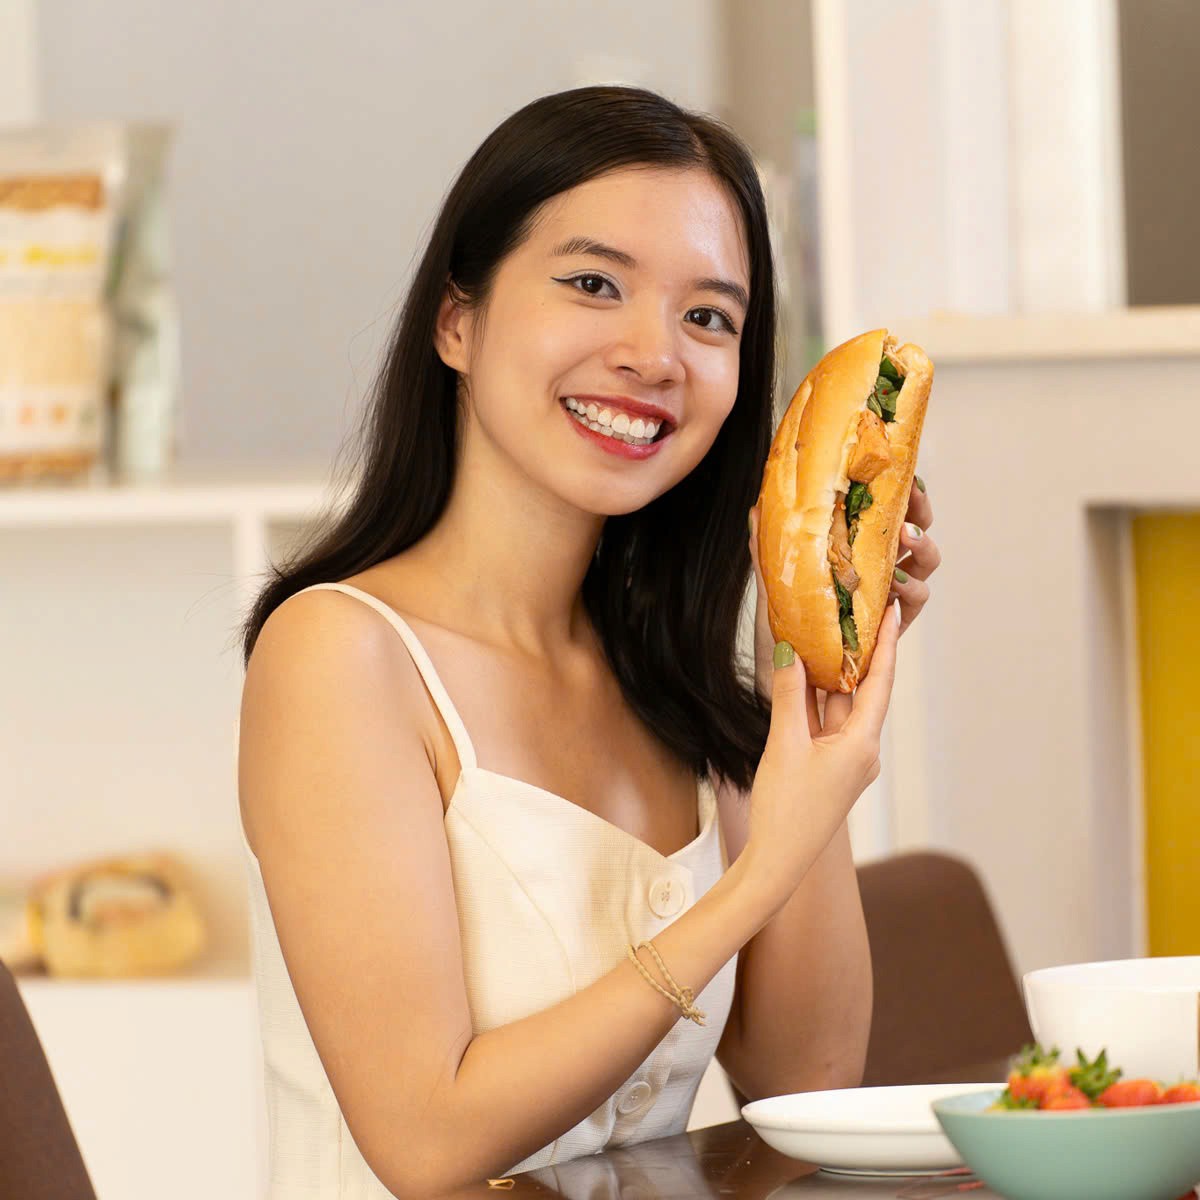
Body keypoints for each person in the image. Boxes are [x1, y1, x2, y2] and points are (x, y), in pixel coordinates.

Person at [236, 85, 939, 1200]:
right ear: (456, 319)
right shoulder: (339, 657)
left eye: (709, 317)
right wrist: (752, 884)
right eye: (593, 284)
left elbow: (809, 1084)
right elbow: (427, 1143)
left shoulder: (675, 685)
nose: (654, 353)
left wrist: (813, 692)